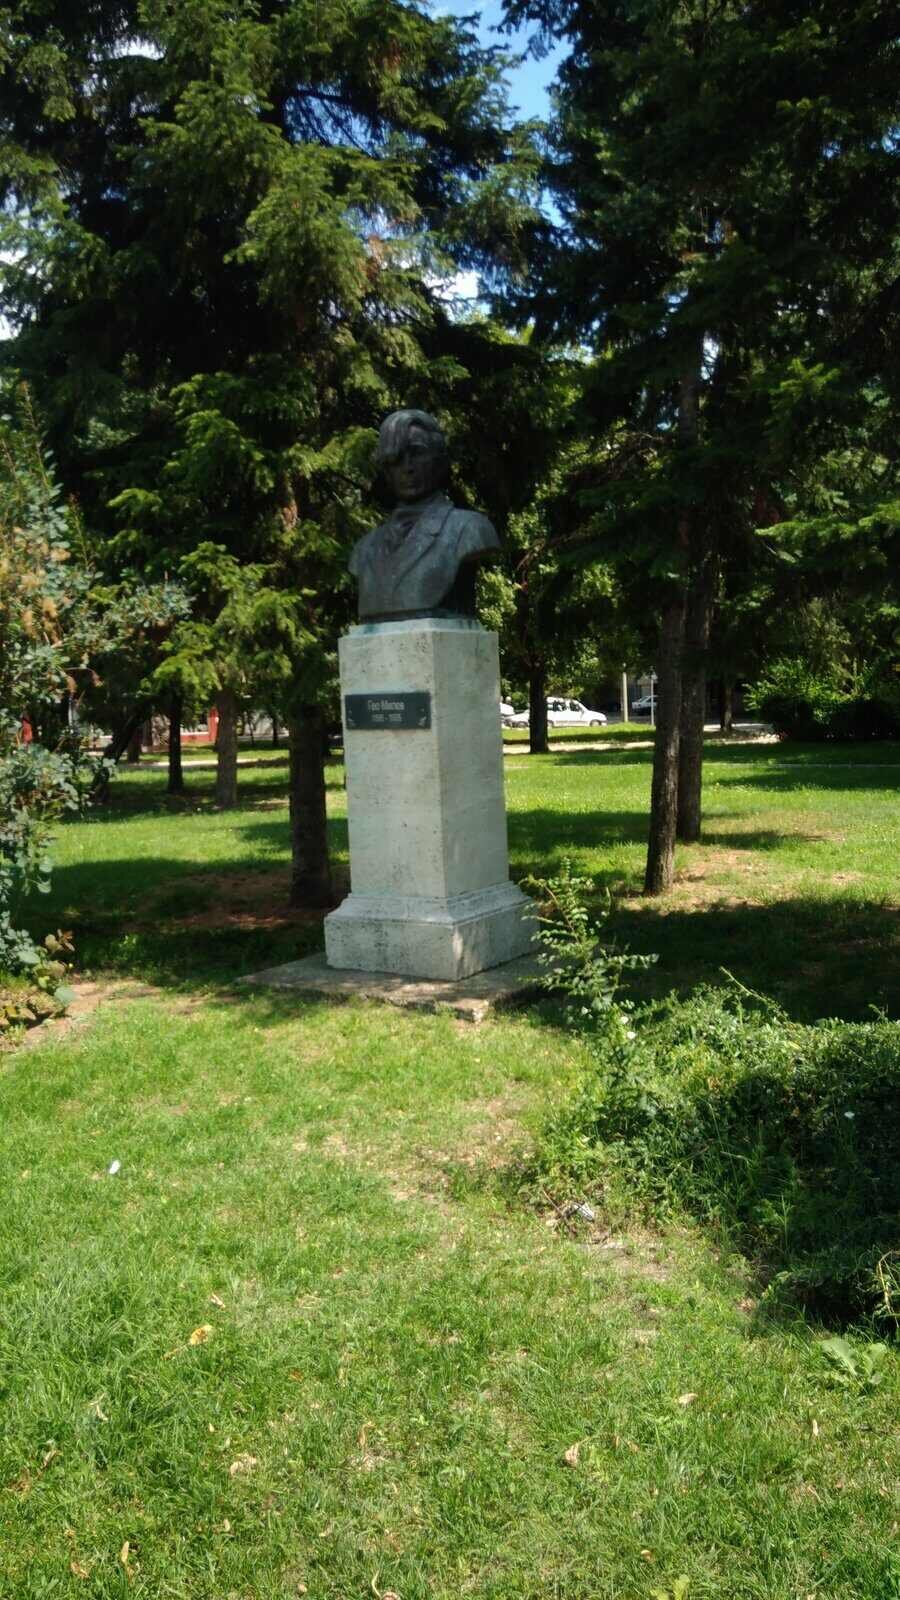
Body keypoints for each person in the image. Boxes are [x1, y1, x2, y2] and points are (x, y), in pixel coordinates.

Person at [348, 409, 500, 622]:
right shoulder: (365, 549)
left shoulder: (470, 529)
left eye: (417, 453)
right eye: (396, 458)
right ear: (386, 471)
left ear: (440, 461)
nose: (408, 467)